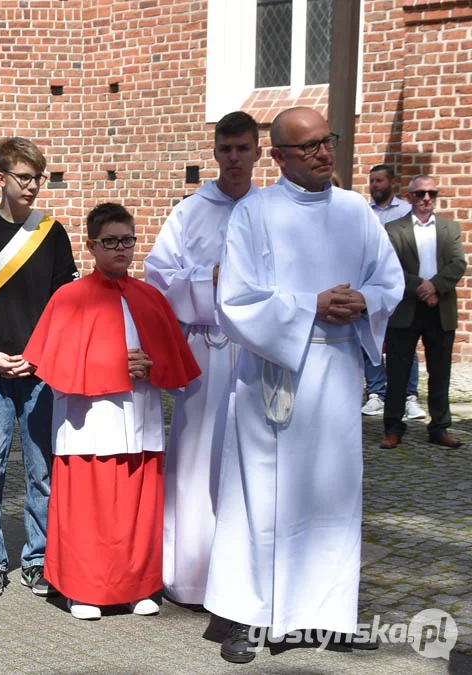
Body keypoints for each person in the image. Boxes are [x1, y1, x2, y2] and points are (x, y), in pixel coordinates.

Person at [206, 107, 403, 663]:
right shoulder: (254, 213)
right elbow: (235, 302)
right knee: (259, 498)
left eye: (328, 140)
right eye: (309, 145)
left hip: (337, 373)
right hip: (275, 373)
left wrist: (364, 301)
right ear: (279, 158)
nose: (324, 152)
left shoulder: (355, 212)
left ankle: (327, 614)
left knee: (333, 495)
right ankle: (246, 617)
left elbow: (388, 278)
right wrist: (308, 306)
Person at [25, 203, 199, 620]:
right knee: (89, 511)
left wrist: (150, 365)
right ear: (91, 246)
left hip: (140, 420)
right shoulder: (69, 299)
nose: (121, 249)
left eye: (127, 240)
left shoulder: (150, 298)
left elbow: (176, 366)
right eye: (111, 241)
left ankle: (137, 585)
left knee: (137, 511)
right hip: (89, 422)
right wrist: (113, 366)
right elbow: (53, 368)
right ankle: (83, 589)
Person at [0, 137, 78, 599]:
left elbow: (67, 305)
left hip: (40, 374)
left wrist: (41, 354)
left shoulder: (53, 234)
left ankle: (38, 558)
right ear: (0, 178)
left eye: (38, 178)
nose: (33, 186)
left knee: (42, 473)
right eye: (24, 177)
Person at [144, 110, 260, 608]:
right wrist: (204, 281)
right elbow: (157, 278)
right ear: (215, 152)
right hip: (206, 348)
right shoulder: (190, 212)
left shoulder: (271, 208)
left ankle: (252, 574)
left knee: (253, 459)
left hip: (259, 351)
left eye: (242, 149)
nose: (233, 158)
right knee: (195, 459)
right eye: (225, 149)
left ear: (258, 152)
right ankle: (192, 575)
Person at [380, 175, 467, 449]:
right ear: (410, 197)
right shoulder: (394, 229)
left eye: (431, 193)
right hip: (406, 307)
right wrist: (421, 287)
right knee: (397, 371)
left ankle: (439, 427)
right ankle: (393, 428)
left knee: (440, 371)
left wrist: (435, 288)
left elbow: (457, 263)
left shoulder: (449, 228)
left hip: (439, 308)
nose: (426, 198)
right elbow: (390, 268)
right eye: (420, 194)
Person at [362, 164, 424, 419]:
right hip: (372, 284)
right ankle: (376, 393)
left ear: (392, 183)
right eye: (372, 181)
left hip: (402, 287)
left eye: (379, 181)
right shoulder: (365, 213)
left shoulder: (407, 211)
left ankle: (409, 396)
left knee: (405, 343)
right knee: (372, 340)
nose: (375, 185)